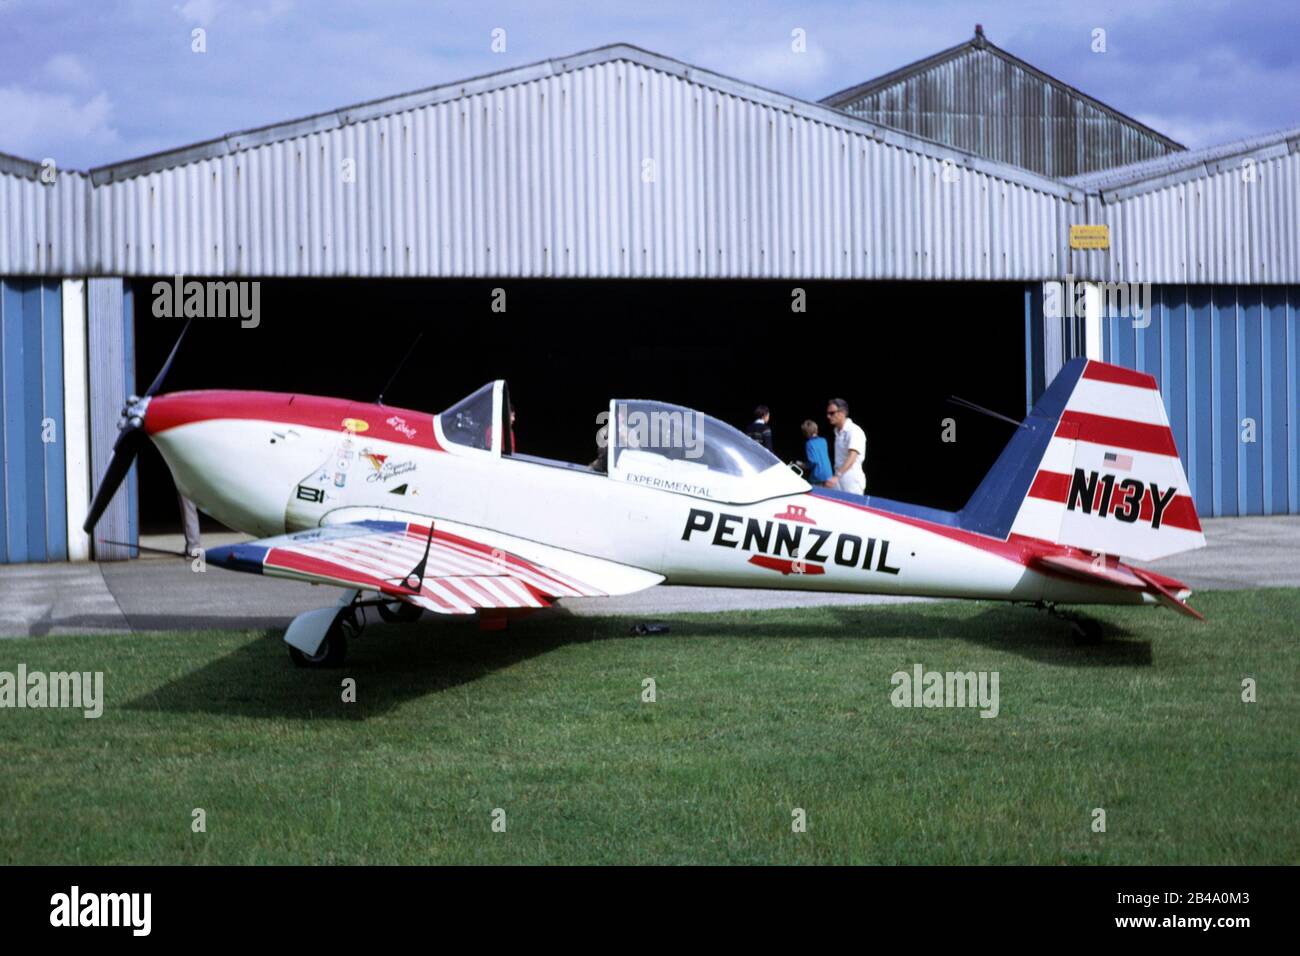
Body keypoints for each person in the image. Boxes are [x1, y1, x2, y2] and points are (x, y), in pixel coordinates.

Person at [825, 397, 867, 494]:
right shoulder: (837, 432)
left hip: (851, 481)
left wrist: (837, 476)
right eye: (827, 413)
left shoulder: (854, 430)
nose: (828, 416)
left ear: (842, 413)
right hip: (838, 480)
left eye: (831, 413)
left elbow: (852, 456)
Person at [800, 420, 833, 485]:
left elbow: (813, 462)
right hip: (829, 473)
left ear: (806, 433)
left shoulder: (809, 444)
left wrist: (802, 465)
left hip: (818, 475)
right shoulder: (824, 440)